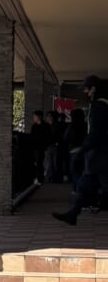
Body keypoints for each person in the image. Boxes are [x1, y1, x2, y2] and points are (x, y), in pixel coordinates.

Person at [53, 76, 108, 226]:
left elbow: (96, 132)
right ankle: (73, 213)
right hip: (98, 155)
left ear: (93, 89)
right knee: (85, 186)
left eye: (86, 89)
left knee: (88, 184)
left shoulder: (99, 106)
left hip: (99, 154)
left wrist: (82, 151)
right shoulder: (100, 105)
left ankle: (73, 213)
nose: (85, 92)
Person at [29, 110, 50, 185]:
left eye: (35, 116)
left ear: (39, 117)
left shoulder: (46, 126)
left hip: (44, 147)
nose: (33, 118)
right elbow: (32, 137)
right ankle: (39, 178)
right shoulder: (34, 126)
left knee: (44, 163)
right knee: (38, 163)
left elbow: (48, 137)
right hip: (36, 148)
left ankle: (42, 178)